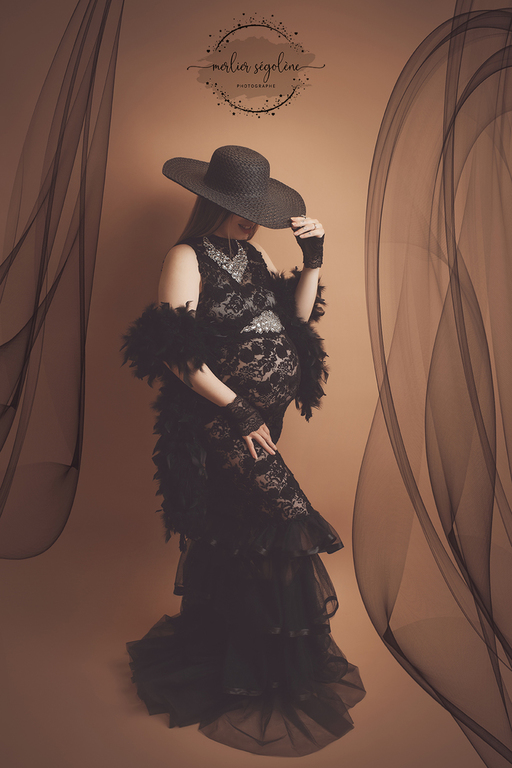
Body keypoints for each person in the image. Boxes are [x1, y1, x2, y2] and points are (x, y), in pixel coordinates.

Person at [123, 145, 365, 757]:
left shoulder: (255, 256)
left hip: (263, 419)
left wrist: (313, 261)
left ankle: (232, 662)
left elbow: (298, 324)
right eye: (241, 210)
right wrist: (238, 408)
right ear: (214, 202)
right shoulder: (185, 256)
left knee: (240, 531)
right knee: (283, 519)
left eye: (257, 212)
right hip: (218, 418)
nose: (251, 222)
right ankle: (275, 671)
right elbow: (175, 351)